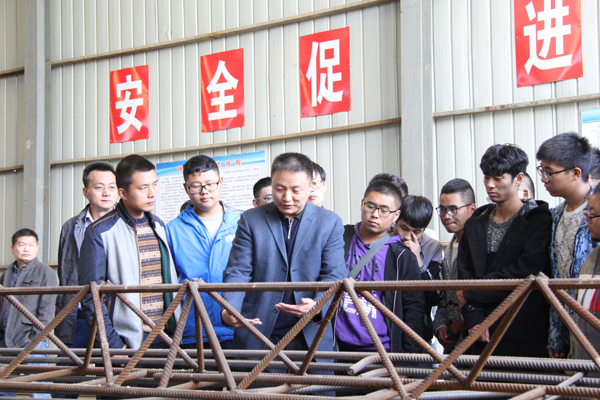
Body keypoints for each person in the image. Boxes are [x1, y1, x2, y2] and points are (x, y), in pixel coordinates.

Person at [221, 152, 346, 355]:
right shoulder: (251, 220)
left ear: (310, 187)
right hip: (259, 330)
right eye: (279, 189)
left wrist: (318, 305)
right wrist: (230, 308)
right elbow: (238, 270)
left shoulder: (329, 222)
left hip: (310, 334)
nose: (287, 198)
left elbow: (334, 274)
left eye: (296, 190)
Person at [457, 144, 552, 357]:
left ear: (518, 179)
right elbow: (464, 275)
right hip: (478, 335)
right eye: (486, 177)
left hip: (522, 333)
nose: (490, 185)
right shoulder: (474, 224)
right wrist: (474, 318)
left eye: (498, 178)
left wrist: (471, 292)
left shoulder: (539, 221)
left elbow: (525, 273)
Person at [78, 154, 180, 350]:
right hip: (129, 343)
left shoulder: (159, 226)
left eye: (155, 184)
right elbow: (91, 296)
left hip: (167, 338)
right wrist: (114, 345)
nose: (152, 193)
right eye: (143, 188)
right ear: (123, 193)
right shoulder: (100, 232)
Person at [336, 181, 424, 353]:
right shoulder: (339, 238)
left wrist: (408, 357)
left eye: (384, 210)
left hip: (382, 350)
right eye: (370, 206)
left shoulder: (402, 256)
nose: (375, 215)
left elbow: (414, 308)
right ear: (362, 204)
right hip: (335, 347)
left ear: (396, 215)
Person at [166, 155, 242, 349]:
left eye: (210, 184)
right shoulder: (172, 229)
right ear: (186, 188)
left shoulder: (243, 223)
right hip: (192, 332)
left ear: (220, 182)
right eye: (196, 186)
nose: (204, 191)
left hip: (239, 328)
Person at [536, 132, 595, 358]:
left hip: (593, 323)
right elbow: (554, 278)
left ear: (576, 173)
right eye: (542, 171)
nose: (544, 179)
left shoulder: (596, 214)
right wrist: (556, 334)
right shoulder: (554, 216)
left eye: (550, 172)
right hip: (566, 328)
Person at [54, 161, 118, 348]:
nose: (106, 193)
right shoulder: (70, 227)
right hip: (78, 316)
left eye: (111, 187)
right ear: (85, 192)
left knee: (116, 365)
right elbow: (65, 272)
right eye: (99, 187)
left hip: (116, 317)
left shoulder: (126, 225)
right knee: (71, 365)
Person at [0, 229, 57, 399]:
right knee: (5, 386)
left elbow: (47, 310)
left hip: (30, 339)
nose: (26, 249)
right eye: (22, 245)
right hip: (6, 339)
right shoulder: (6, 274)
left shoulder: (46, 273)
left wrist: (35, 337)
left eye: (31, 245)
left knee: (38, 387)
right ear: (13, 249)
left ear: (37, 248)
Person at [432, 179, 476, 352]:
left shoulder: (477, 245)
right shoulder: (450, 246)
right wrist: (440, 324)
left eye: (453, 209)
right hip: (453, 343)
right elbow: (446, 293)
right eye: (442, 210)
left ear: (472, 209)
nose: (446, 216)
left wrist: (461, 323)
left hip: (474, 337)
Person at [393, 195, 443, 342]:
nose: (408, 237)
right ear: (395, 219)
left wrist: (418, 261)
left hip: (419, 329)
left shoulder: (432, 247)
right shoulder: (383, 239)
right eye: (404, 228)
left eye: (416, 232)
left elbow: (435, 296)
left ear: (424, 229)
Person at [570, 185, 600, 361]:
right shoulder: (590, 260)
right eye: (587, 211)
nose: (587, 218)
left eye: (593, 214)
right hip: (582, 368)